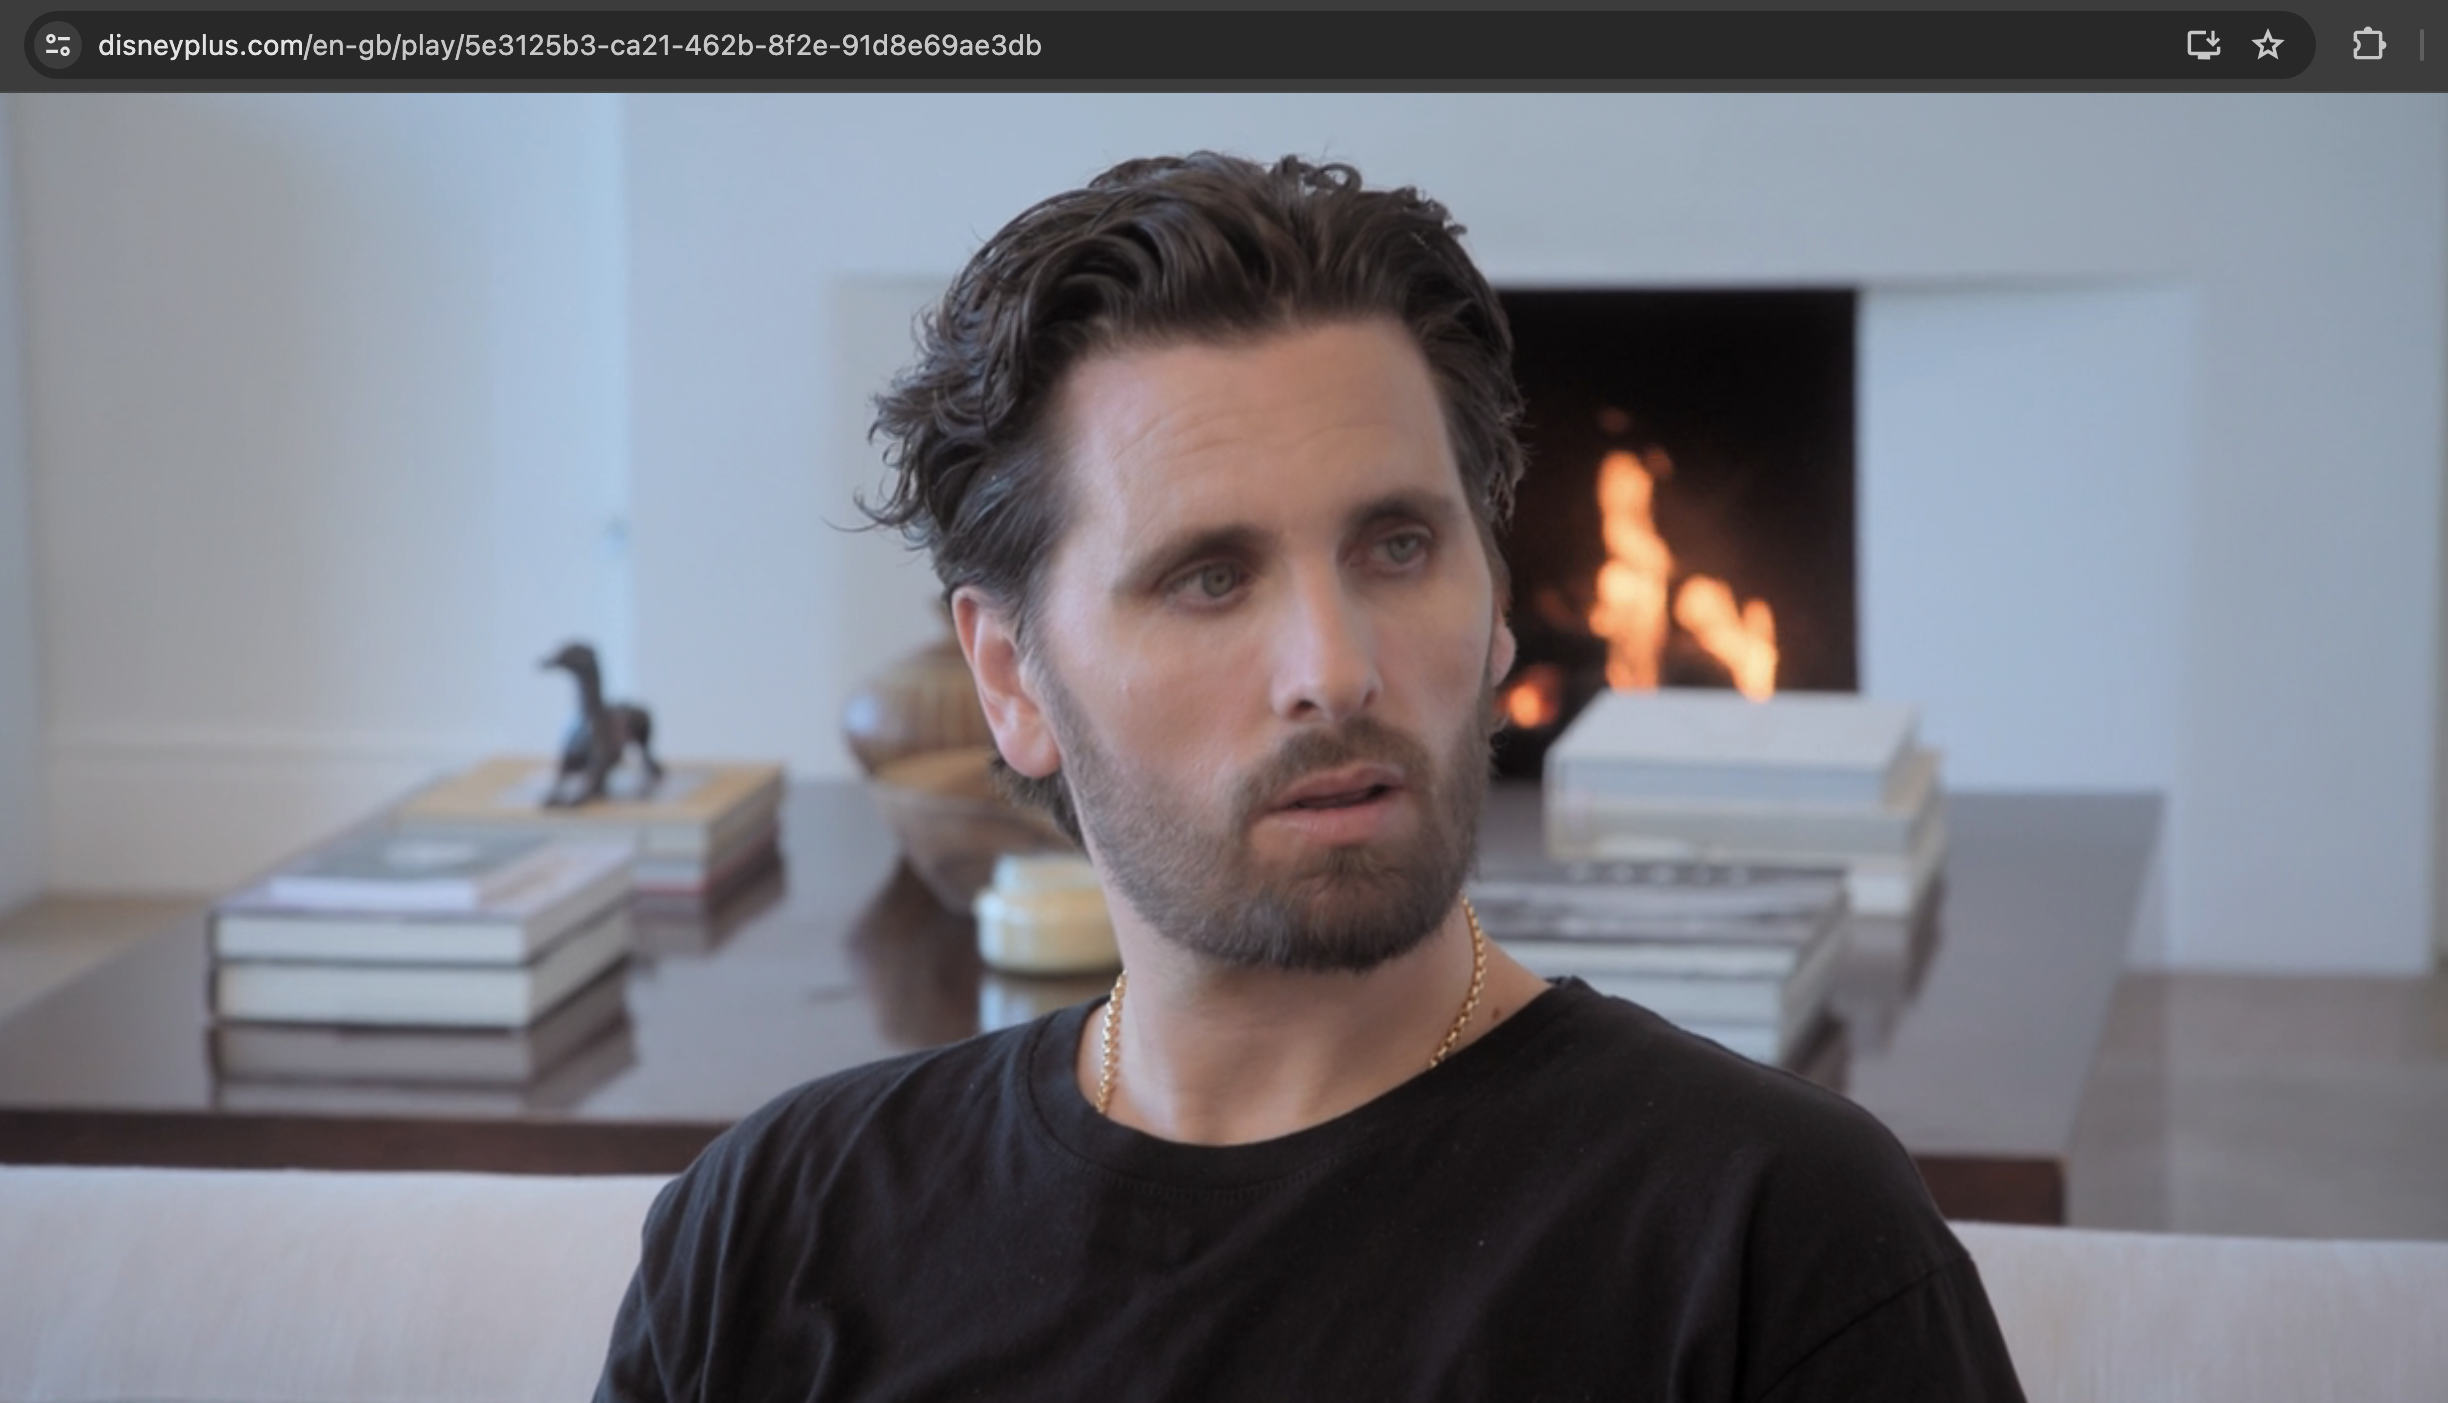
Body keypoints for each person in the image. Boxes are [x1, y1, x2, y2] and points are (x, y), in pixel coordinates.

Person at [594, 152, 2026, 1401]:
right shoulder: (773, 1232)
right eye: (1210, 577)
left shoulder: (1782, 1240)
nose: (1336, 666)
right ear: (1012, 678)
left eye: (1398, 546)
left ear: (1495, 597)